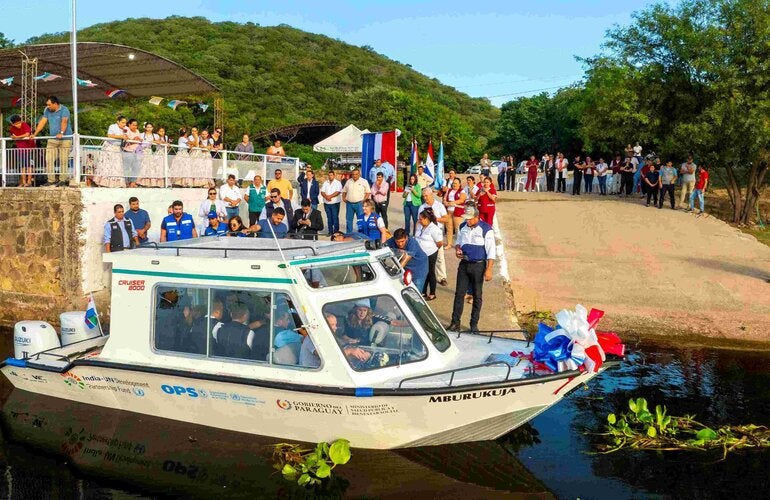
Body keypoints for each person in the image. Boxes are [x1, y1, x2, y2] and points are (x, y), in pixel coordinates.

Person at [447, 205, 496, 333]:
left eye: (470, 219)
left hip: (478, 265)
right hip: (464, 264)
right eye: (466, 218)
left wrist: (489, 269)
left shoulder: (486, 229)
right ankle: (455, 322)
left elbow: (491, 251)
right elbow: (458, 241)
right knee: (459, 294)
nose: (467, 221)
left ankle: (473, 325)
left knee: (477, 295)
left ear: (477, 217)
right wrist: (458, 249)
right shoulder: (463, 227)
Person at [30, 96, 72, 186]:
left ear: (55, 104)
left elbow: (64, 121)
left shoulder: (64, 109)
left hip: (65, 139)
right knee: (48, 159)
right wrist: (35, 134)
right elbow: (42, 122)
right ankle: (51, 180)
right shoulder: (47, 110)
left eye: (49, 105)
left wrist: (61, 132)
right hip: (52, 139)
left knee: (63, 160)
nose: (48, 106)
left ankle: (63, 180)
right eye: (47, 105)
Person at [419, 187, 450, 286]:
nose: (425, 198)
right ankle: (425, 276)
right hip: (426, 234)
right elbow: (418, 221)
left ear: (431, 195)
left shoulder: (439, 206)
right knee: (425, 256)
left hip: (437, 232)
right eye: (423, 196)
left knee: (440, 256)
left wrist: (435, 219)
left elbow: (446, 219)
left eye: (426, 196)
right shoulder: (422, 207)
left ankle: (441, 277)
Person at [385, 228, 429, 293]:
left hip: (419, 269)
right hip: (406, 269)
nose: (400, 244)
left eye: (402, 241)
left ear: (406, 238)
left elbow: (405, 259)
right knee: (405, 291)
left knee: (415, 292)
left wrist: (395, 273)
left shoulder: (412, 243)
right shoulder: (391, 241)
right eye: (397, 241)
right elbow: (382, 248)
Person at [414, 208, 443, 300]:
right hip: (421, 254)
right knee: (423, 272)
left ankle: (432, 293)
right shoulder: (420, 226)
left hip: (430, 253)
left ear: (427, 219)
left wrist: (431, 249)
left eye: (421, 219)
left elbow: (439, 243)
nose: (419, 220)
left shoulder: (434, 229)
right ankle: (423, 291)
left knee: (430, 272)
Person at [8, 115, 36, 187]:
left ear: (21, 121)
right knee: (22, 165)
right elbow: (12, 136)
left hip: (30, 148)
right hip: (21, 149)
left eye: (19, 123)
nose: (18, 125)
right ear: (12, 124)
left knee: (29, 165)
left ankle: (29, 181)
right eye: (16, 124)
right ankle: (23, 182)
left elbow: (27, 134)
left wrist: (17, 137)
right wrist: (13, 137)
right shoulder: (11, 128)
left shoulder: (24, 124)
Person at [341, 168, 370, 233]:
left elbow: (368, 192)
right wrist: (343, 197)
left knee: (360, 220)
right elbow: (344, 190)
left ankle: (361, 234)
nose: (355, 176)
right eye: (353, 174)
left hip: (359, 204)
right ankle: (349, 234)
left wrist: (363, 200)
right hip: (349, 204)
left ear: (359, 174)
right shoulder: (348, 181)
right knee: (349, 220)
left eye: (356, 174)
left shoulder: (364, 181)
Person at [443, 177, 467, 248]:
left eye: (456, 183)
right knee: (449, 228)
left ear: (459, 184)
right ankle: (449, 244)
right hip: (449, 211)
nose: (454, 184)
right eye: (453, 183)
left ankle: (460, 244)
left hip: (457, 212)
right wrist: (446, 202)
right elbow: (444, 198)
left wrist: (453, 203)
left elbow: (462, 200)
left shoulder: (462, 191)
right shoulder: (449, 190)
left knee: (458, 229)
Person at [121, 119, 142, 188]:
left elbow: (139, 139)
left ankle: (133, 183)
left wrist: (139, 139)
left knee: (136, 167)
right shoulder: (126, 129)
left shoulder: (138, 131)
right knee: (126, 168)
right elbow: (126, 139)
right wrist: (134, 139)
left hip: (137, 151)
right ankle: (127, 182)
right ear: (129, 124)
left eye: (136, 125)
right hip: (128, 151)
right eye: (133, 125)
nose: (135, 126)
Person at [321, 170, 342, 236]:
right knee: (329, 218)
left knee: (335, 217)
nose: (330, 177)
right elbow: (322, 192)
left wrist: (329, 196)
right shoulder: (325, 183)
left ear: (334, 175)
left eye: (331, 175)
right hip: (326, 203)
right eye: (329, 175)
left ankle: (336, 232)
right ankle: (330, 232)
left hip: (335, 203)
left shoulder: (338, 183)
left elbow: (338, 192)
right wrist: (326, 197)